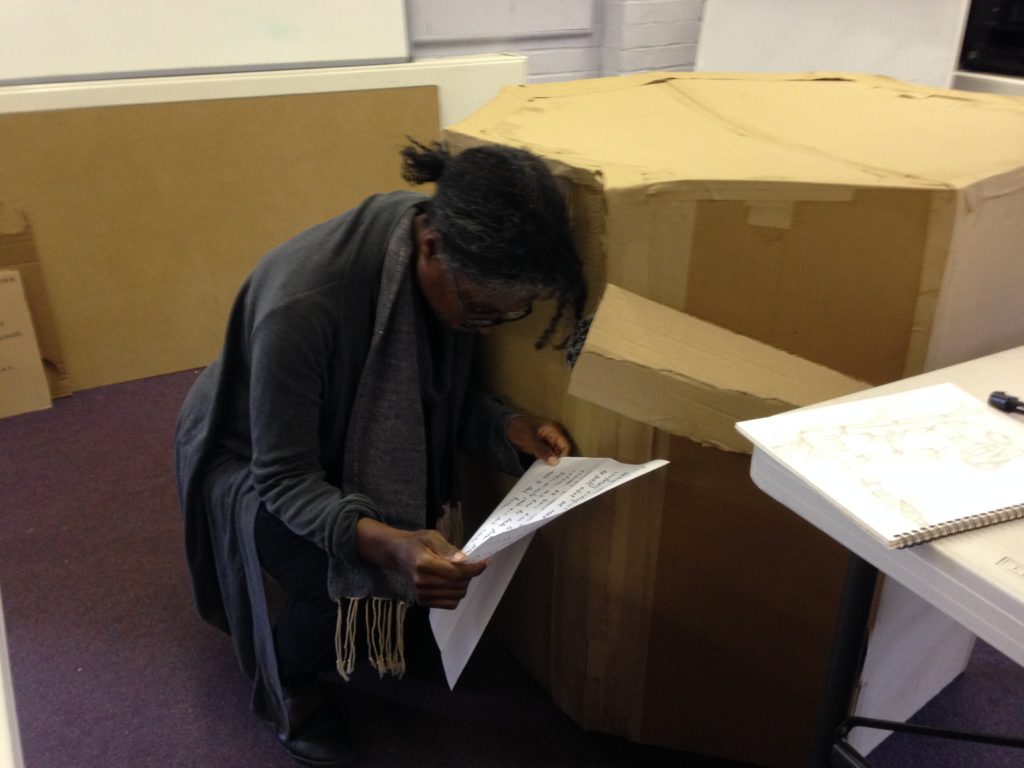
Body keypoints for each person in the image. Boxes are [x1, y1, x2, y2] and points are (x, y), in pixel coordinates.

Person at [173, 139, 587, 767]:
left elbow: (437, 398)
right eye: (481, 312)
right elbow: (284, 478)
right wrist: (387, 544)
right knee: (350, 581)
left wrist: (508, 428)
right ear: (431, 250)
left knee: (401, 568)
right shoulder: (304, 303)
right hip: (248, 457)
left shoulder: (437, 239)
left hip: (336, 435)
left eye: (509, 315)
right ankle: (290, 689)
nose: (483, 326)